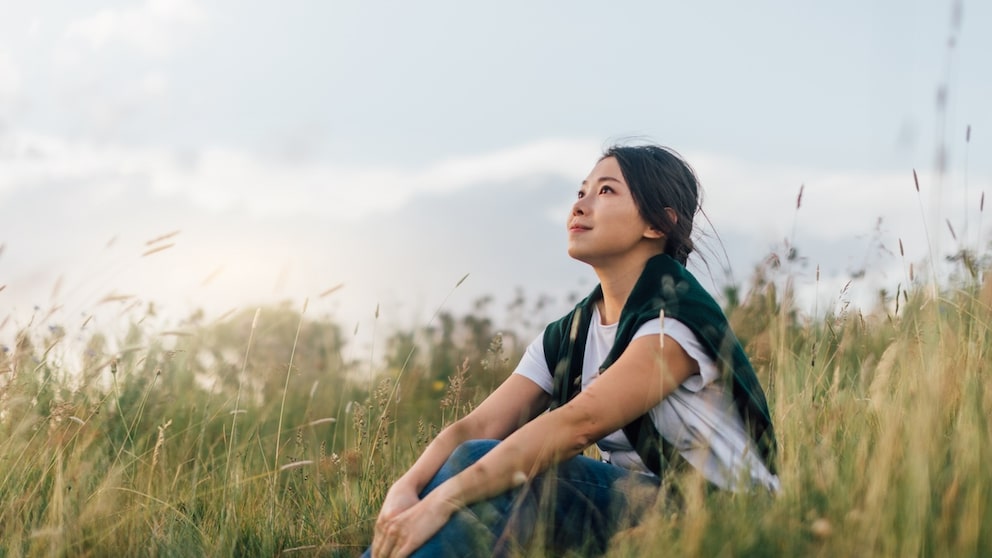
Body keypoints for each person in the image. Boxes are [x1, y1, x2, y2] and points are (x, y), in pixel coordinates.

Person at [364, 143, 779, 558]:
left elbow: (579, 423)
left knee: (483, 472)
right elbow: (475, 428)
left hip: (725, 515)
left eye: (606, 191)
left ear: (658, 224)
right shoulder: (571, 334)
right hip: (642, 506)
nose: (580, 206)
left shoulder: (675, 320)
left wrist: (442, 500)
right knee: (474, 467)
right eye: (581, 192)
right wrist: (407, 489)